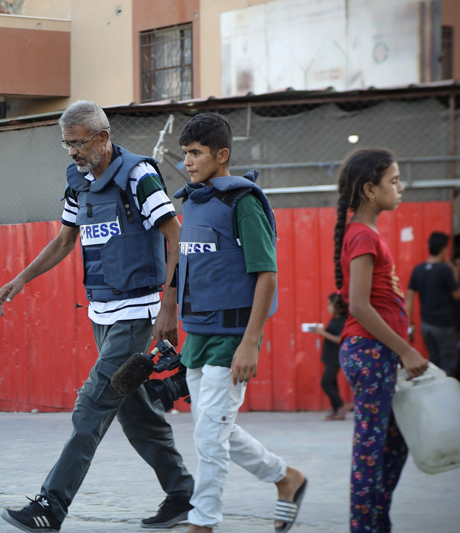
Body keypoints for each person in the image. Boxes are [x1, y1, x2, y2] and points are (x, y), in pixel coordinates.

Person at [0, 100, 194, 532]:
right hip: (102, 314)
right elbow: (64, 241)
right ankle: (182, 495)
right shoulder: (79, 182)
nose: (72, 151)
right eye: (66, 144)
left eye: (78, 143)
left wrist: (169, 305)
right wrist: (21, 278)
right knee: (135, 413)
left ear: (103, 137)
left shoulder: (139, 177)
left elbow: (177, 238)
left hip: (137, 314)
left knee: (92, 404)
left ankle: (51, 505)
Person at [175, 112, 306, 533]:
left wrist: (251, 342)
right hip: (197, 337)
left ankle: (203, 522)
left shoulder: (243, 203)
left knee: (209, 436)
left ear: (222, 155)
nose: (188, 162)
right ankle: (286, 478)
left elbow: (267, 274)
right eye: (185, 154)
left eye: (196, 153)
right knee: (216, 430)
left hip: (233, 339)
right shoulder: (193, 201)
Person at [334, 148, 428, 533]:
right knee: (370, 451)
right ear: (371, 190)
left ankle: (376, 522)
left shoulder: (365, 234)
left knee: (393, 443)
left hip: (376, 352)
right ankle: (365, 526)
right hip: (370, 352)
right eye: (394, 180)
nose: (401, 187)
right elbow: (358, 305)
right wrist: (405, 349)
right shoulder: (362, 235)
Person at [405, 232, 460, 376]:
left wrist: (410, 322)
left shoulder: (418, 269)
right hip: (444, 324)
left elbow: (409, 296)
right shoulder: (445, 269)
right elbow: (458, 294)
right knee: (449, 364)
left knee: (434, 361)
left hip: (426, 325)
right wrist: (453, 270)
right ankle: (446, 389)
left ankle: (436, 388)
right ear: (444, 249)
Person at [307, 293, 348, 420]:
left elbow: (340, 339)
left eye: (330, 305)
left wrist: (322, 333)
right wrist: (320, 330)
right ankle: (337, 411)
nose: (328, 307)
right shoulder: (334, 319)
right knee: (332, 383)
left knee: (326, 382)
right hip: (329, 355)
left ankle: (341, 405)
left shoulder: (344, 321)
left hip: (336, 356)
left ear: (339, 306)